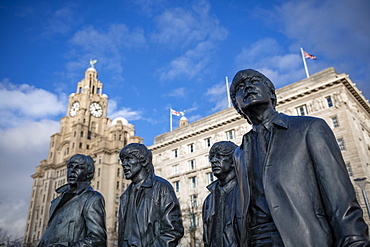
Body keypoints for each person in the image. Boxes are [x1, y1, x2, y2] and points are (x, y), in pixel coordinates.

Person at [229, 69, 370, 246]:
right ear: (237, 106)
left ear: (271, 93)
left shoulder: (309, 128)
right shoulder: (238, 153)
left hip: (303, 238)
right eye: (240, 87)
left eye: (254, 81)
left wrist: (354, 240)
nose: (247, 86)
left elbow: (340, 200)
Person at [118, 143, 184, 246]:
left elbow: (173, 231)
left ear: (143, 161)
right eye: (122, 160)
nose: (124, 164)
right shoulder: (125, 196)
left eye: (129, 159)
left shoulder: (162, 187)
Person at [38, 154, 107, 247]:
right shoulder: (56, 202)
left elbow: (98, 240)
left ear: (89, 174)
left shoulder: (92, 198)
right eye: (70, 167)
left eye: (79, 167)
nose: (72, 171)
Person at [203, 141, 242, 247]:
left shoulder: (246, 192)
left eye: (220, 156)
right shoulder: (208, 201)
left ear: (233, 161)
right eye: (211, 157)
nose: (214, 161)